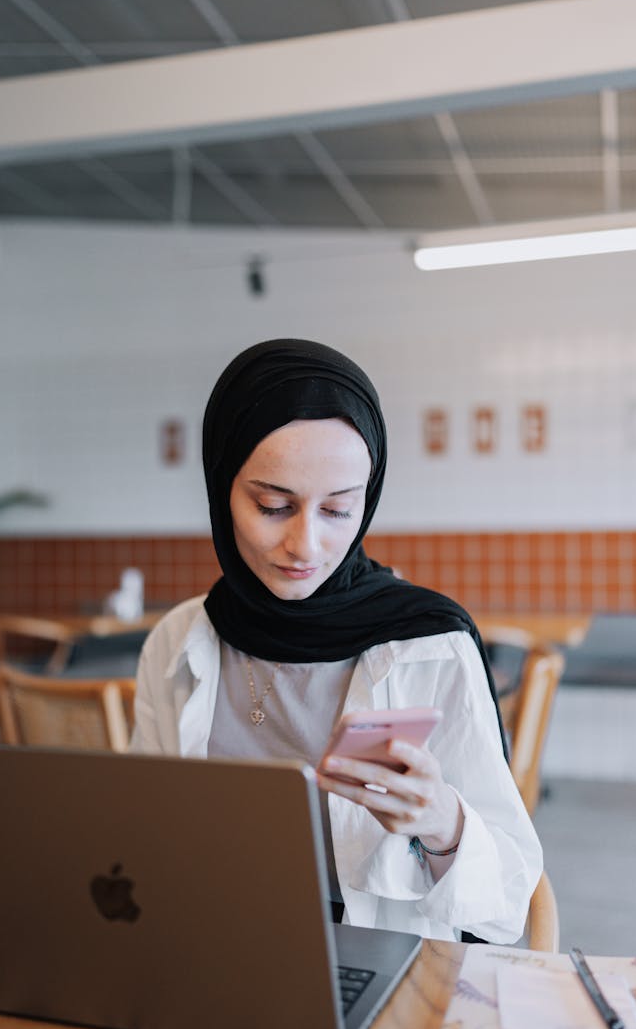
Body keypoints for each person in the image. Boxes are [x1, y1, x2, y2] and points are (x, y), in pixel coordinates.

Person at [131, 338, 542, 942]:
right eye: (273, 506)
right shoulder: (181, 640)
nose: (307, 546)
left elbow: (511, 906)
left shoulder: (427, 645)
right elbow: (141, 835)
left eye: (339, 510)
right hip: (211, 947)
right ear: (222, 487)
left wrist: (443, 824)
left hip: (383, 968)